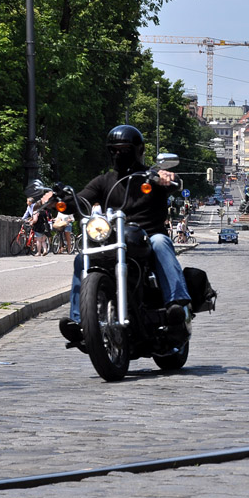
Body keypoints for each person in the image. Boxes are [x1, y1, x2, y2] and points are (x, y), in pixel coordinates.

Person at [54, 124, 191, 347]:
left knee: (160, 242)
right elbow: (83, 200)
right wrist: (61, 199)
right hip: (115, 239)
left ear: (138, 150)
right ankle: (79, 322)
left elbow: (173, 183)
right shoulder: (104, 181)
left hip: (148, 236)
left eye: (124, 149)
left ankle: (177, 304)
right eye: (114, 150)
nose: (119, 154)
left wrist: (167, 178)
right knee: (81, 259)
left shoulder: (150, 176)